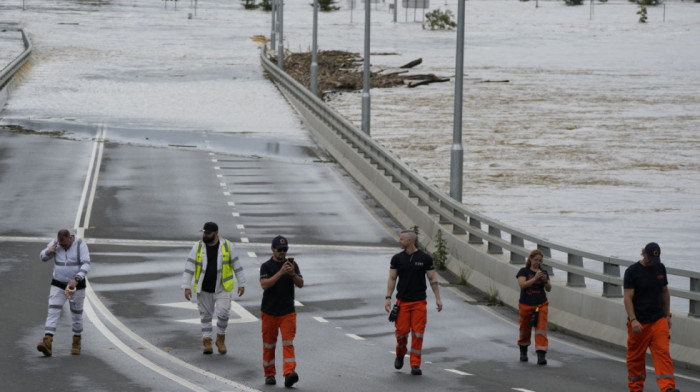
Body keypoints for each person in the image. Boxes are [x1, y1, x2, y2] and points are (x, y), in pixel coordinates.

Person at [181, 222, 247, 355]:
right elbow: (189, 267)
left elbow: (237, 265)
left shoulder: (227, 246)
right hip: (204, 288)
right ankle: (207, 341)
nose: (204, 235)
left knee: (223, 313)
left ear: (216, 233)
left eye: (207, 233)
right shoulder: (198, 247)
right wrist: (186, 287)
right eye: (204, 233)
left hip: (222, 287)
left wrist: (242, 283)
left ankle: (220, 339)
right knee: (205, 316)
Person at [384, 230, 443, 376]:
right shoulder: (397, 258)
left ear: (410, 241)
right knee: (402, 332)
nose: (399, 241)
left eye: (402, 239)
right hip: (402, 303)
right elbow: (392, 278)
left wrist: (438, 298)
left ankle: (415, 364)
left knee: (418, 333)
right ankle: (400, 353)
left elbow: (432, 279)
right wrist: (388, 297)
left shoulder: (425, 258)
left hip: (419, 303)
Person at [623, 242, 680, 392]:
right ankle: (636, 388)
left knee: (663, 353)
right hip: (639, 323)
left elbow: (664, 292)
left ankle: (668, 388)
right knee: (635, 359)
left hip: (658, 320)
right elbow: (628, 297)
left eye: (655, 259)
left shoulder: (660, 268)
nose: (652, 262)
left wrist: (667, 314)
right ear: (644, 254)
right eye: (649, 258)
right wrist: (633, 319)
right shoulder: (632, 272)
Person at [36, 228, 91, 356]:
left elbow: (86, 264)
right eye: (61, 244)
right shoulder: (56, 243)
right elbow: (42, 257)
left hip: (76, 285)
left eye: (65, 244)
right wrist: (48, 252)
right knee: (53, 310)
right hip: (58, 284)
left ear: (70, 238)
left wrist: (77, 279)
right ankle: (47, 342)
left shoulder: (80, 245)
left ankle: (76, 341)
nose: (62, 246)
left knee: (76, 315)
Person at [259, 235, 303, 387]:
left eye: (285, 250)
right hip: (269, 311)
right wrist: (279, 273)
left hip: (287, 312)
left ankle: (289, 373)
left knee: (288, 343)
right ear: (273, 249)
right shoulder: (266, 266)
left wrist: (292, 274)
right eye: (279, 250)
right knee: (269, 345)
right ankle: (269, 373)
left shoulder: (292, 265)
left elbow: (301, 283)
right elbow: (264, 284)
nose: (282, 253)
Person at [516, 249, 551, 365]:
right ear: (530, 259)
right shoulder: (524, 271)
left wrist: (545, 281)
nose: (538, 263)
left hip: (541, 304)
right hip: (526, 304)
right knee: (525, 329)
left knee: (541, 329)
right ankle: (523, 351)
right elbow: (522, 285)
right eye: (536, 260)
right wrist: (535, 279)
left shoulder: (544, 272)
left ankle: (541, 355)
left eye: (540, 261)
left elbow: (549, 288)